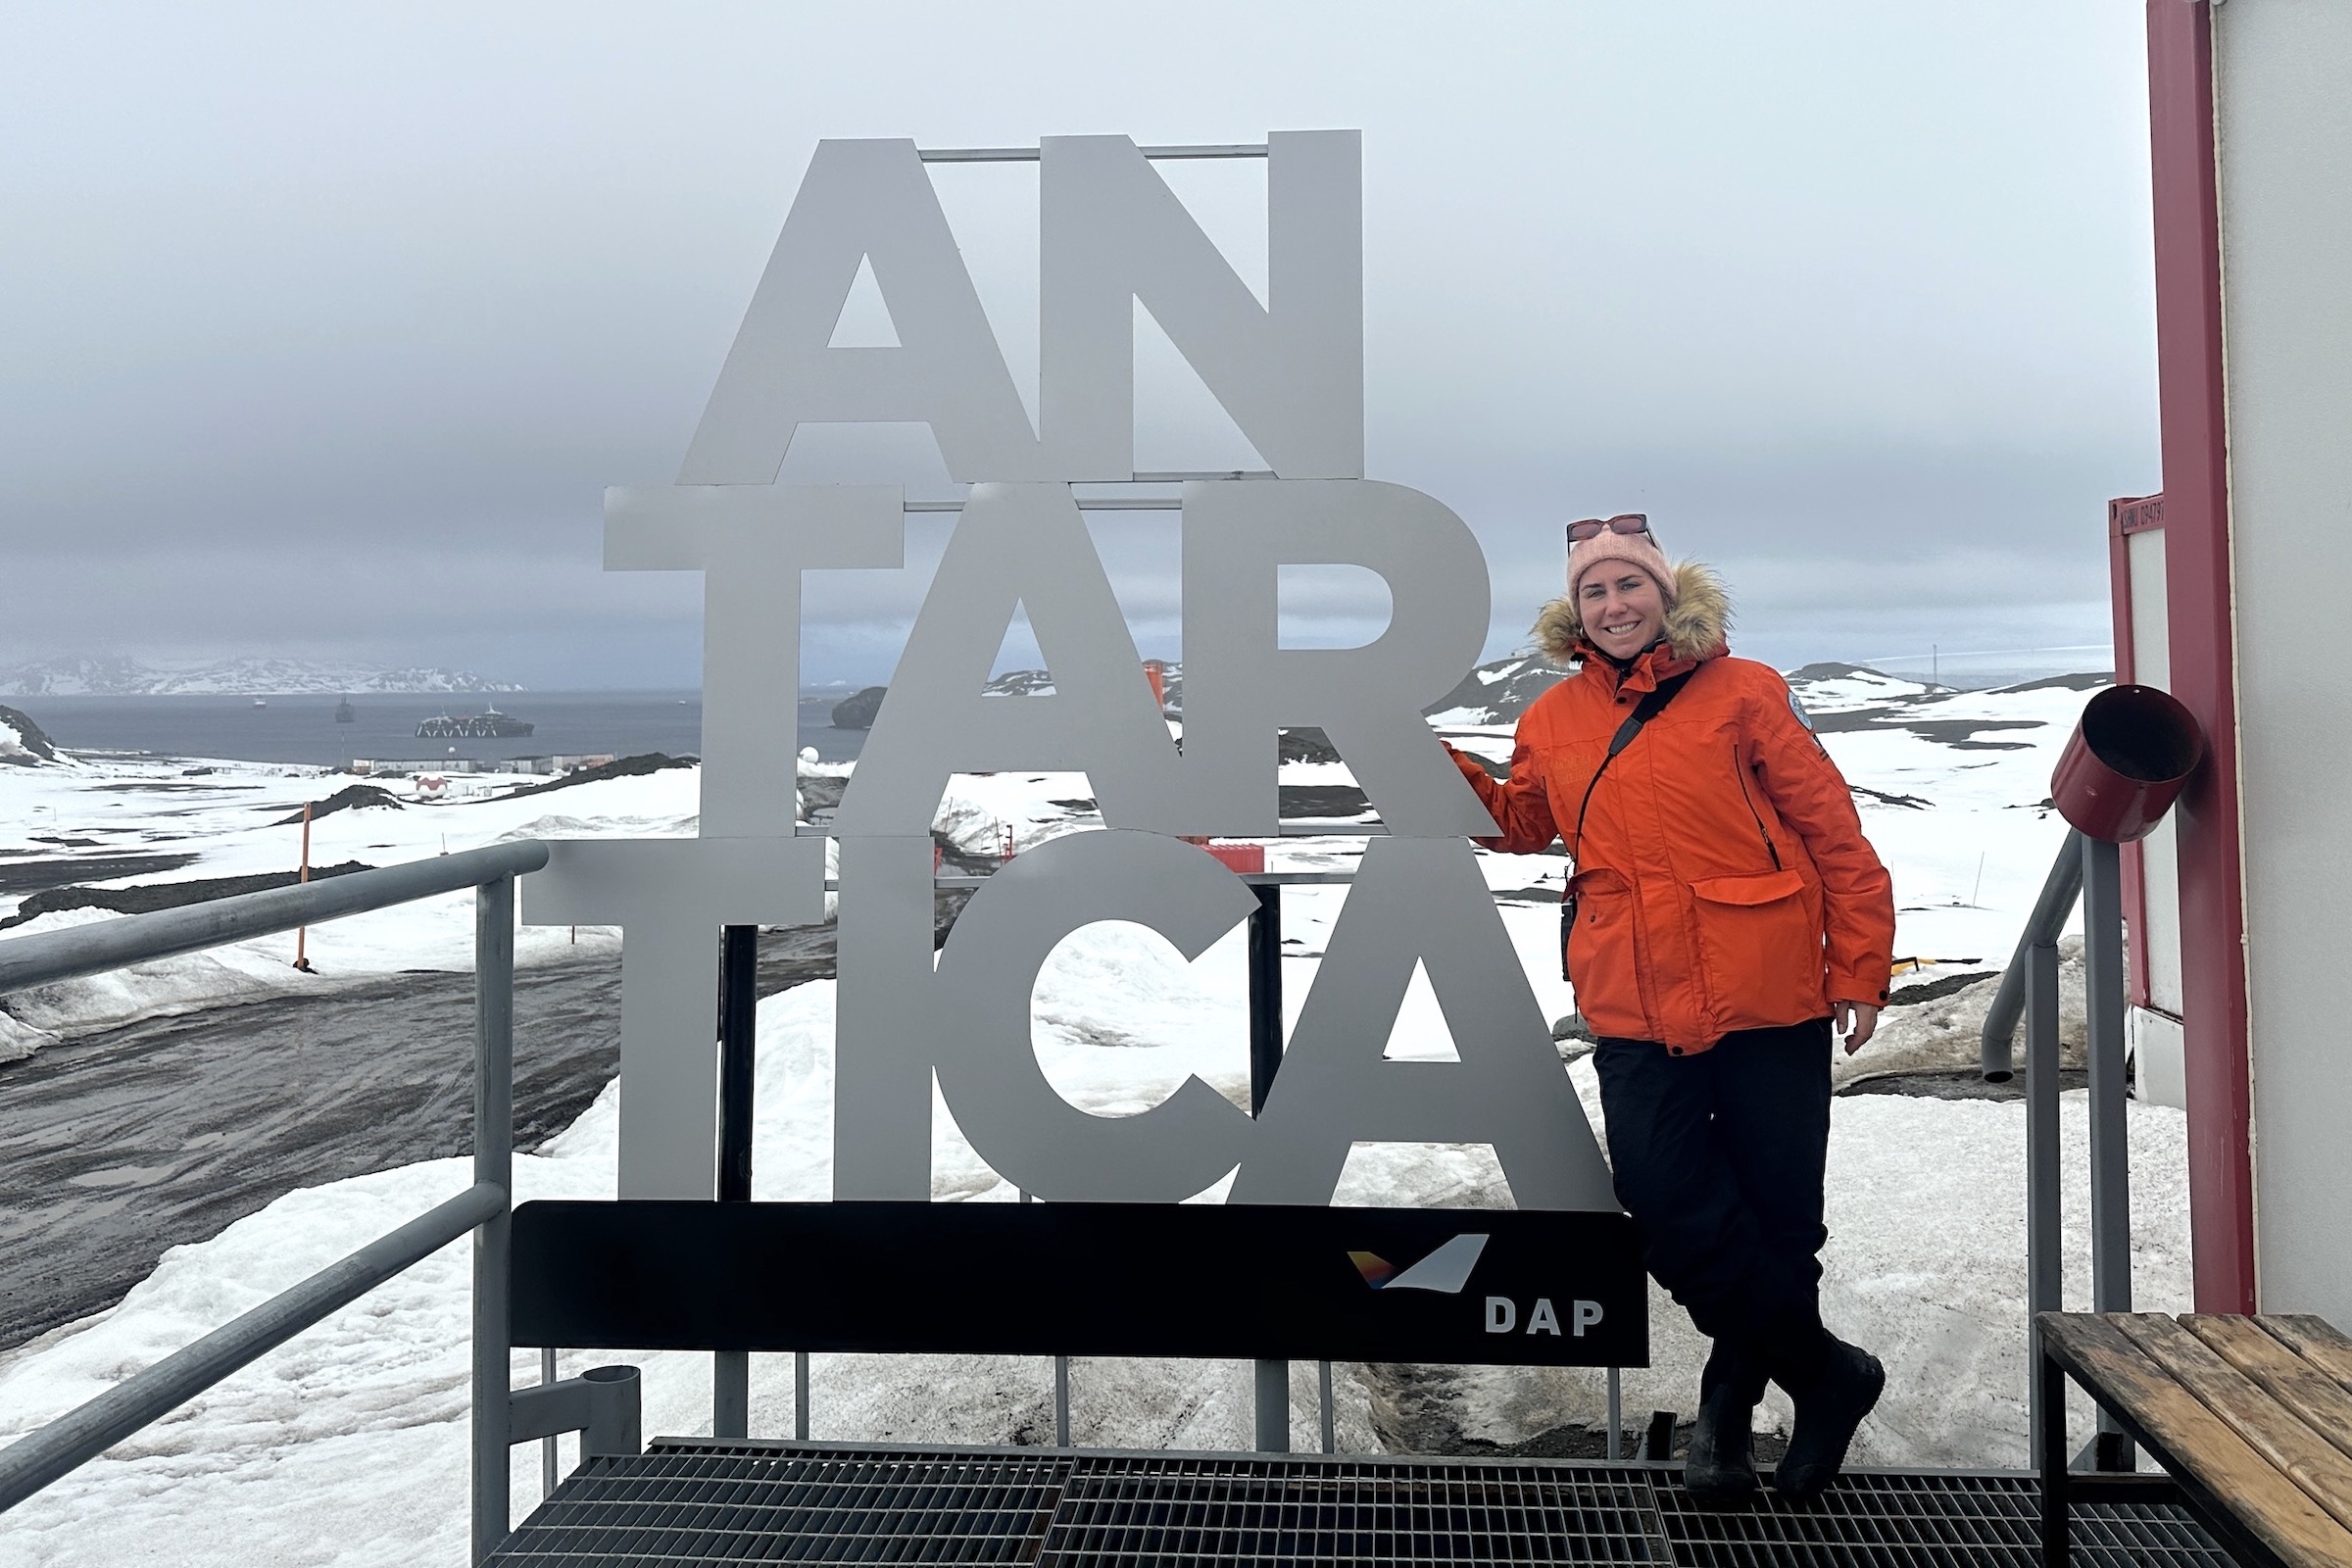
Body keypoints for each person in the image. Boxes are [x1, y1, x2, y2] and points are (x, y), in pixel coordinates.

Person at [1444, 514, 1896, 1507]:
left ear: (1667, 593)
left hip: (1768, 993)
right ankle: (1830, 1376)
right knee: (1669, 1209)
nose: (1614, 606)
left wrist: (1860, 964)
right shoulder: (1554, 717)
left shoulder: (1748, 693)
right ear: (1576, 611)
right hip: (1635, 1001)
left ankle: (1727, 1423)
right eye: (1595, 592)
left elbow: (1834, 833)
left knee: (1780, 1221)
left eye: (1630, 586)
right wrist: (1431, 768)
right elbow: (1524, 822)